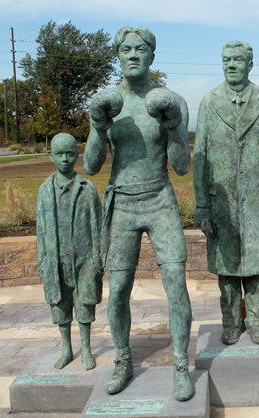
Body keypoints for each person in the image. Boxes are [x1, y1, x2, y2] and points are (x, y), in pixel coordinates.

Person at [84, 27, 193, 401]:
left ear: (151, 56)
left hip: (160, 198)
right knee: (117, 294)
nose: (133, 55)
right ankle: (123, 361)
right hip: (123, 204)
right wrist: (99, 127)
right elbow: (91, 165)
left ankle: (181, 364)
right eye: (126, 49)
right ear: (118, 55)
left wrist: (174, 126)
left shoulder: (171, 100)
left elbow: (181, 167)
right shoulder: (108, 103)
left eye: (141, 49)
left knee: (176, 284)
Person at [193, 41, 259, 346]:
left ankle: (255, 320)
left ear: (250, 65)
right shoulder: (209, 102)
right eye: (226, 60)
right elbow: (199, 157)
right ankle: (231, 322)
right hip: (221, 202)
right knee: (226, 269)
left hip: (255, 200)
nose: (231, 65)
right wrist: (201, 206)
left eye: (238, 60)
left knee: (255, 266)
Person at [37, 133, 103, 372]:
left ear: (77, 155)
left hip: (84, 259)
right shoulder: (45, 190)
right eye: (60, 154)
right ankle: (67, 349)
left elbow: (98, 225)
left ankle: (86, 349)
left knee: (85, 305)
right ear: (51, 156)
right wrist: (43, 260)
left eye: (70, 154)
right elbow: (40, 229)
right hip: (56, 260)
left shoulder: (86, 188)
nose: (65, 159)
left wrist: (97, 259)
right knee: (60, 305)